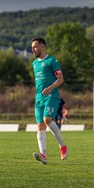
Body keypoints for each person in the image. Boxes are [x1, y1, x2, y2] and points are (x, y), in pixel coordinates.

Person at [31, 37, 68, 165]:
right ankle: (43, 155)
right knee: (40, 125)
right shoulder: (34, 64)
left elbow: (60, 79)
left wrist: (49, 88)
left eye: (35, 47)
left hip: (52, 95)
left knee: (48, 120)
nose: (33, 49)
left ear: (42, 47)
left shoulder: (52, 61)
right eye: (32, 47)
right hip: (39, 98)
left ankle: (63, 146)